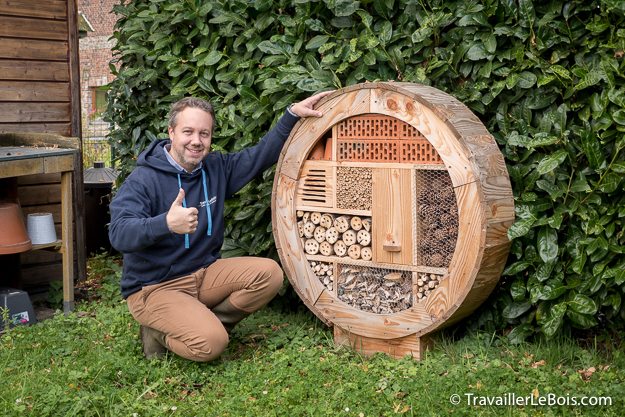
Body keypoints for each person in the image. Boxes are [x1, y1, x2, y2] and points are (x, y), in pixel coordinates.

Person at [109, 91, 333, 361]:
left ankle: (209, 323)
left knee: (269, 274)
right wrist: (165, 223)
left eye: (204, 134)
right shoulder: (142, 180)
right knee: (210, 346)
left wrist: (292, 115)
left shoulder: (215, 168)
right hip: (154, 287)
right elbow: (119, 235)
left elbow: (260, 156)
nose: (196, 141)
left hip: (203, 274)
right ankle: (157, 333)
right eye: (188, 132)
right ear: (171, 132)